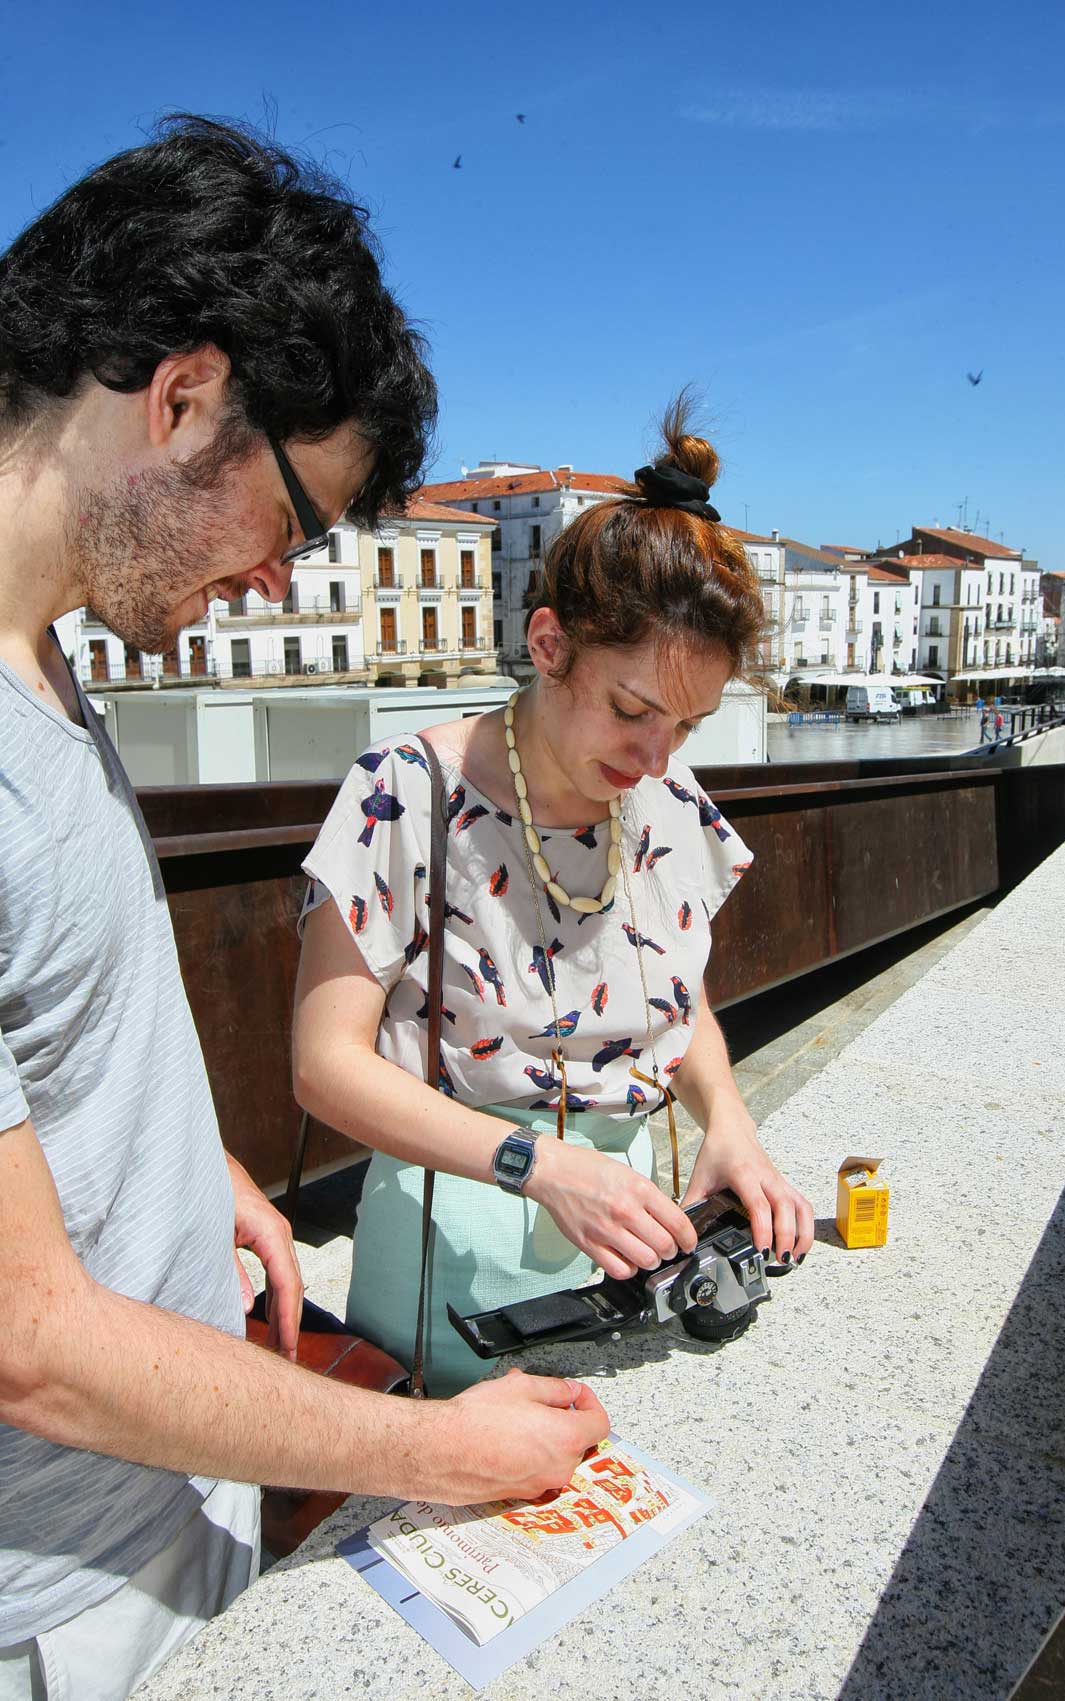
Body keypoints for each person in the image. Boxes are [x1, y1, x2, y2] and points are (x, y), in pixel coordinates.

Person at [0, 116, 607, 1701]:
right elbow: (29, 1341)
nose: (282, 583)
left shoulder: (46, 666)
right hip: (52, 1602)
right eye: (295, 522)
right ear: (182, 395)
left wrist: (180, 1167)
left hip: (156, 1504)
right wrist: (432, 1444)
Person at [293, 398, 816, 1395]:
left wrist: (732, 1131)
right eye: (632, 710)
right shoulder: (406, 792)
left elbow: (676, 984)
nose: (656, 755)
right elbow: (323, 1067)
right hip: (456, 1270)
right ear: (547, 644)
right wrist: (544, 1167)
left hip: (636, 1242)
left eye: (689, 724)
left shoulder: (663, 794)